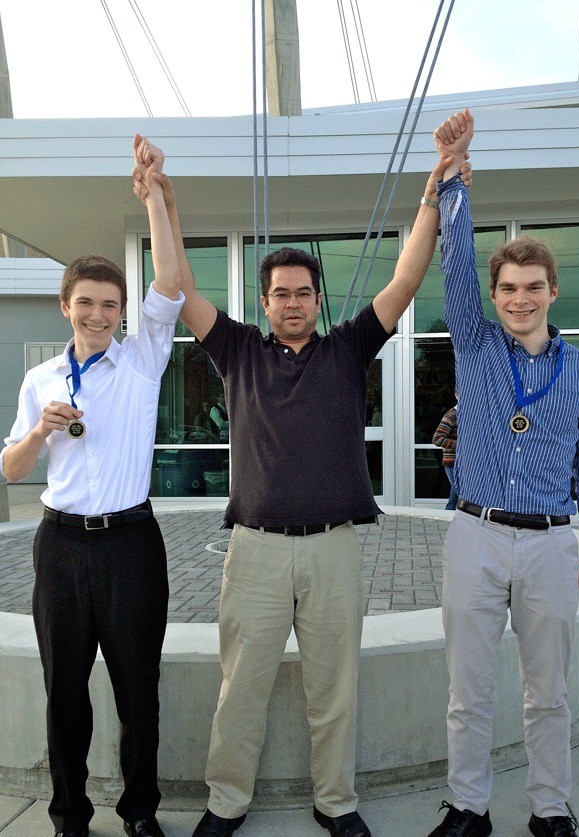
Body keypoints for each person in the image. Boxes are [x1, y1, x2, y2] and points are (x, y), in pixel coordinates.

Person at [135, 140, 471, 837]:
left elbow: (406, 282)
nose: (292, 302)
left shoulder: (349, 348)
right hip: (254, 553)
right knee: (241, 690)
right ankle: (226, 801)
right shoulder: (236, 352)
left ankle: (336, 802)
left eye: (303, 292)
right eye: (280, 293)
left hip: (333, 552)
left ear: (319, 299)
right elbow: (180, 286)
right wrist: (158, 201)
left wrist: (430, 196)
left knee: (334, 690)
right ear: (264, 301)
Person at [426, 110, 579, 837]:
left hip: (546, 542)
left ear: (551, 291)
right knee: (467, 690)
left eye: (532, 286)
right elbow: (453, 264)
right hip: (474, 534)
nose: (519, 298)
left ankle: (550, 808)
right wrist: (453, 178)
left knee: (549, 693)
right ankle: (468, 806)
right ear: (496, 293)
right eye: (507, 286)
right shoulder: (475, 346)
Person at [0, 135, 183, 837]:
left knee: (140, 691)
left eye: (110, 304)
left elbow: (169, 282)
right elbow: (11, 469)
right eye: (87, 303)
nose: (99, 315)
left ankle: (140, 813)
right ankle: (69, 815)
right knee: (63, 694)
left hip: (132, 543)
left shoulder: (141, 360)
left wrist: (156, 196)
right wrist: (38, 433)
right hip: (61, 547)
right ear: (65, 305)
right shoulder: (39, 381)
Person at [432, 392, 458, 510]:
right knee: (461, 493)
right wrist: (460, 445)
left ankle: (448, 518)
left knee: (456, 496)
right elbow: (437, 439)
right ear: (456, 395)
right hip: (452, 462)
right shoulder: (451, 415)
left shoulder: (470, 414)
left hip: (466, 463)